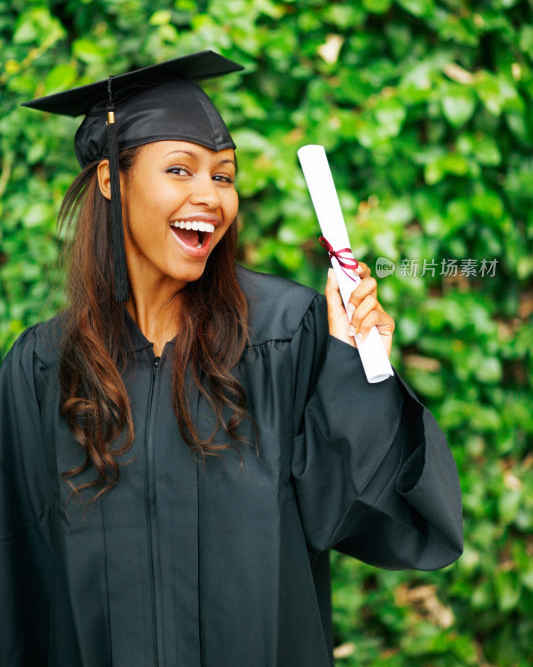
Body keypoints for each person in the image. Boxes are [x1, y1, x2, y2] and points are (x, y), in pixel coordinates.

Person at [0, 50, 462, 667]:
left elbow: (376, 515)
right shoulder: (45, 367)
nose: (210, 196)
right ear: (112, 179)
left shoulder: (285, 335)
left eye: (223, 175)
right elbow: (20, 577)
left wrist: (355, 372)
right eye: (181, 169)